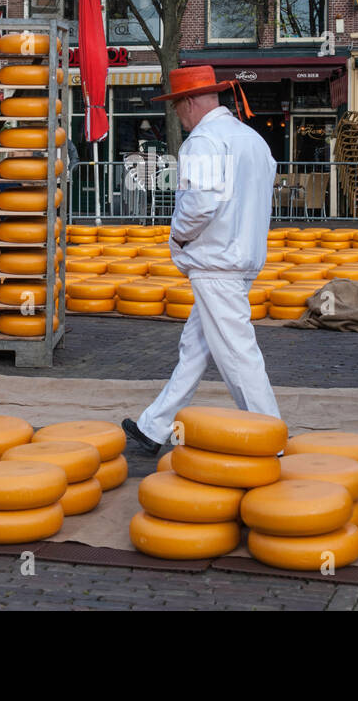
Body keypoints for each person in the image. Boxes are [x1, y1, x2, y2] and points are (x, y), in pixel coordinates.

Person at [123, 66, 279, 454]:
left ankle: (270, 435)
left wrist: (177, 237)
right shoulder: (252, 139)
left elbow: (199, 204)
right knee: (196, 349)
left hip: (215, 262)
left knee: (238, 353)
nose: (178, 116)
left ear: (189, 103)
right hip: (240, 258)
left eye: (177, 108)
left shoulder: (203, 141)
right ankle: (154, 425)